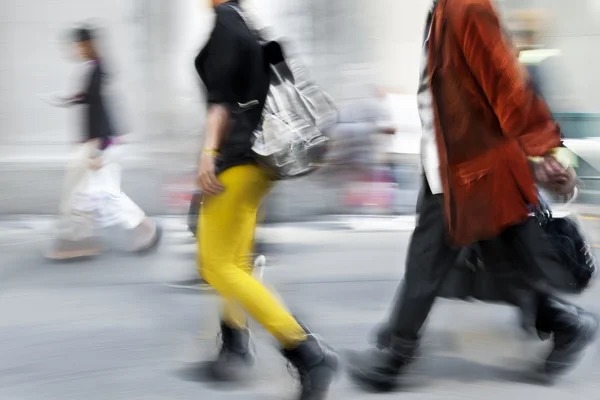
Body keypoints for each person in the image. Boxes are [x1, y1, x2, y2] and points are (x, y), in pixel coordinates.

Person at [346, 0, 597, 392]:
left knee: (428, 260)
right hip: (449, 166)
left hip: (471, 171)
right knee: (495, 262)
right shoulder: (446, 8)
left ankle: (396, 352)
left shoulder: (466, 6)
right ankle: (565, 324)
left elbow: (506, 81)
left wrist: (546, 146)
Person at [192, 1, 338, 398]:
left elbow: (220, 100)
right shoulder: (246, 22)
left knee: (216, 264)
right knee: (235, 262)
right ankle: (234, 346)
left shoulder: (225, 20)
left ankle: (306, 352)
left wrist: (207, 154)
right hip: (260, 161)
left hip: (238, 156)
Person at [43, 26, 161, 260]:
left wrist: (98, 148)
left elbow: (99, 110)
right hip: (103, 141)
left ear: (86, 45)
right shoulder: (95, 68)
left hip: (105, 143)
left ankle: (145, 228)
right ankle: (81, 241)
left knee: (103, 194)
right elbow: (90, 99)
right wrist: (71, 99)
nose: (75, 50)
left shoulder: (96, 70)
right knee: (88, 194)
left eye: (78, 45)